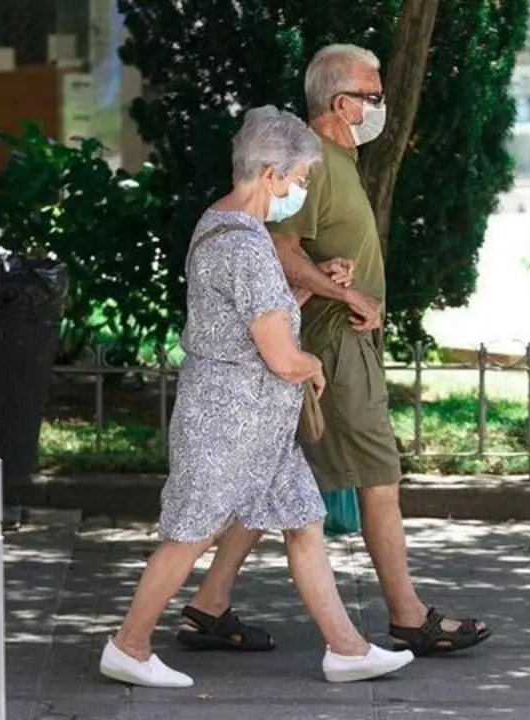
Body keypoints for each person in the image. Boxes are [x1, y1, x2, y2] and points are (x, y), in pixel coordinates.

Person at [172, 44, 492, 659]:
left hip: (328, 344)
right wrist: (340, 294)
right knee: (378, 477)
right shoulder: (314, 165)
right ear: (342, 103)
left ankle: (209, 605)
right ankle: (407, 616)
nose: (381, 108)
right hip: (332, 346)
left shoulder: (336, 162)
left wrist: (330, 279)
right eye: (373, 97)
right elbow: (280, 247)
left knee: (277, 478)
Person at [98, 105, 415, 689]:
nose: (299, 191)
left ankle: (346, 648)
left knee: (304, 522)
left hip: (252, 424)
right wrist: (313, 363)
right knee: (190, 532)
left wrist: (306, 286)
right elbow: (280, 356)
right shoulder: (244, 247)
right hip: (231, 422)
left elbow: (257, 320)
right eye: (297, 180)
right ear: (270, 173)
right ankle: (129, 645)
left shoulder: (220, 223)